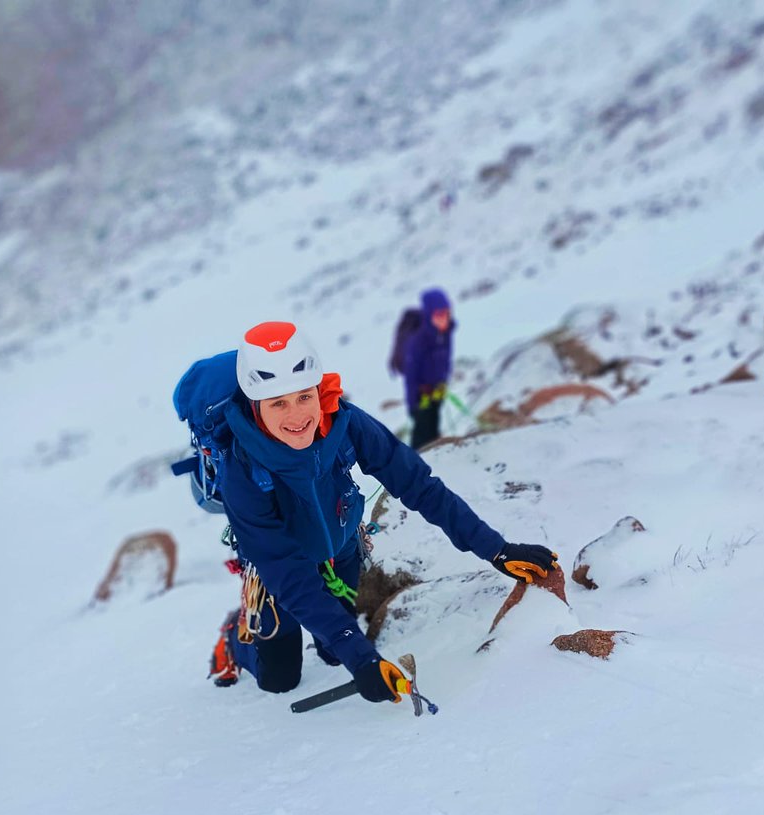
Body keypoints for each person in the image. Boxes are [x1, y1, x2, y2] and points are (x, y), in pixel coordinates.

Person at [206, 320, 558, 704]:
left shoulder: (345, 422)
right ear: (256, 407)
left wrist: (496, 549)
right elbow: (286, 572)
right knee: (280, 679)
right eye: (278, 403)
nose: (296, 415)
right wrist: (362, 658)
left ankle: (332, 639)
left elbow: (418, 485)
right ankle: (233, 637)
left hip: (340, 550)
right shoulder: (239, 469)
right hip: (279, 573)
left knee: (331, 650)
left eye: (304, 396)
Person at [401, 287, 454, 451]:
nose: (443, 318)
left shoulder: (445, 335)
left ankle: (433, 459)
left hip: (437, 392)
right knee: (421, 433)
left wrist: (444, 383)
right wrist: (412, 404)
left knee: (433, 427)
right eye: (439, 315)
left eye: (446, 313)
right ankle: (416, 461)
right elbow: (411, 375)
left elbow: (445, 362)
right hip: (421, 396)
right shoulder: (418, 340)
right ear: (429, 314)